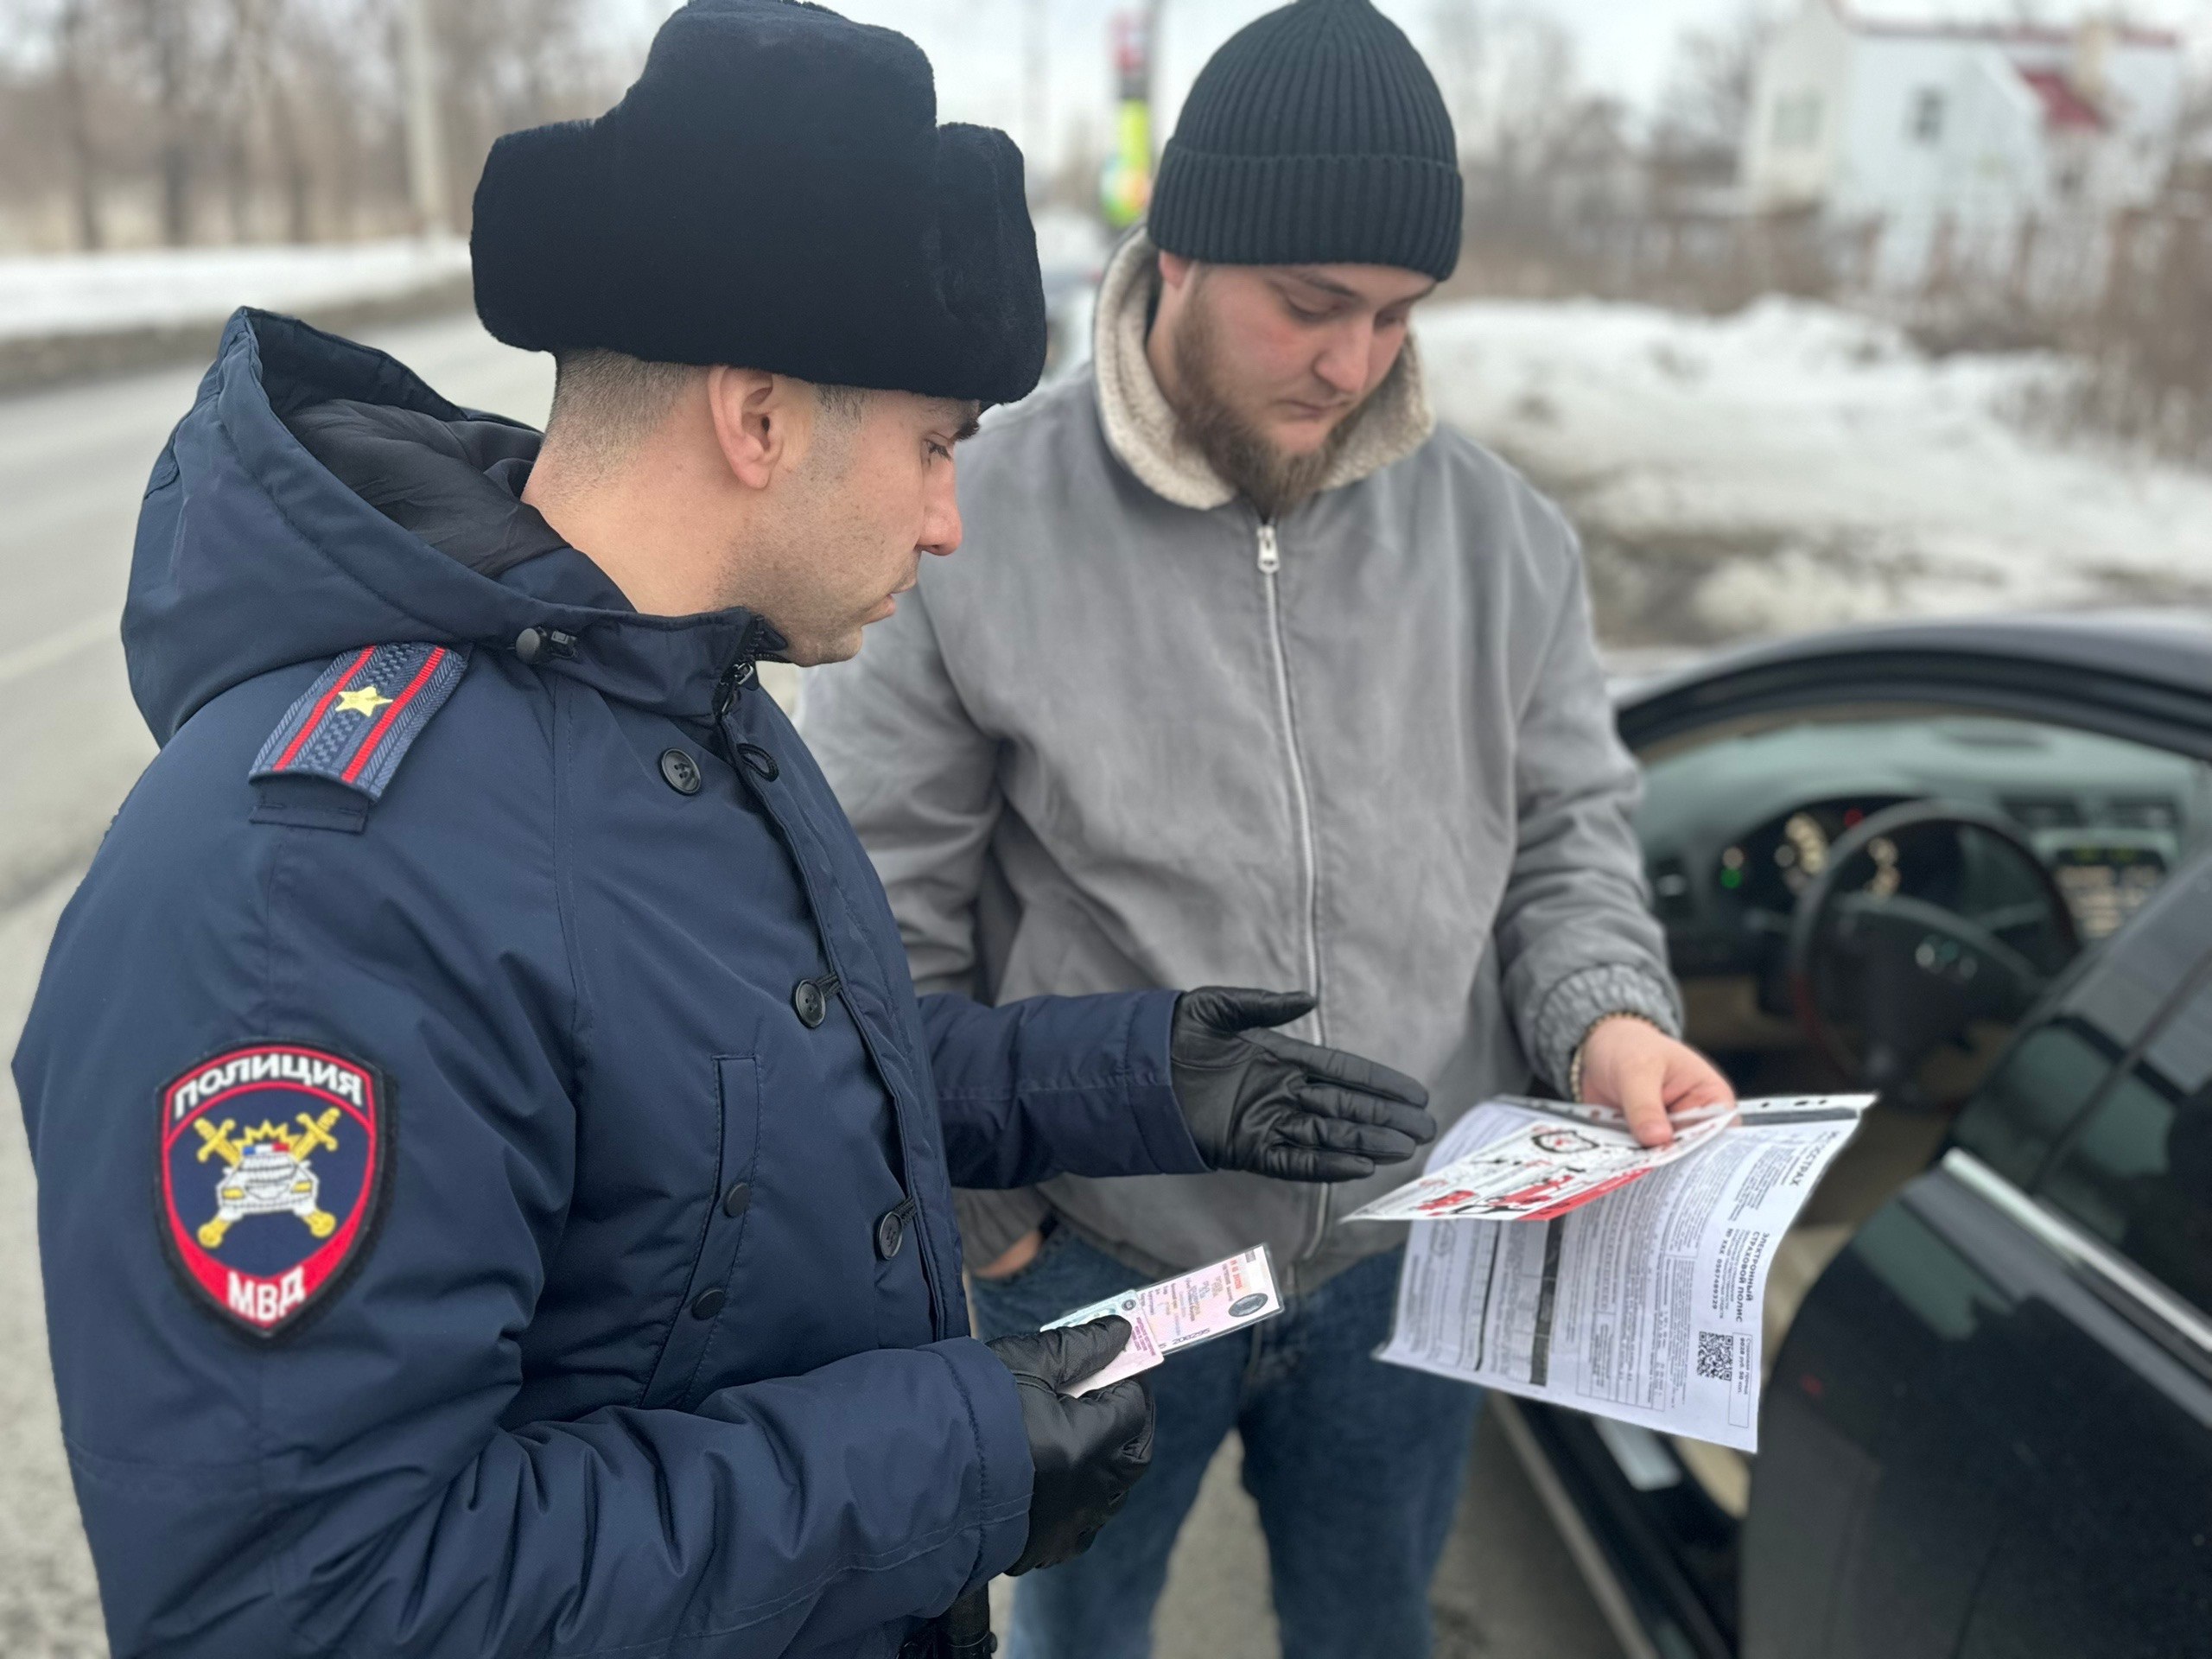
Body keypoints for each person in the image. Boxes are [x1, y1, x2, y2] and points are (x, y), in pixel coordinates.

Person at [11, 5, 1437, 1656]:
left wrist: (1134, 1076)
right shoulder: (308, 893)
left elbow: (742, 1119)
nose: (947, 519)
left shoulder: (674, 708)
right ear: (758, 419)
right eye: (929, 447)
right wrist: (942, 1465)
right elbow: (308, 1607)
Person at [800, 1, 1737, 1653]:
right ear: (1179, 253)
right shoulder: (974, 518)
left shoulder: (1503, 540)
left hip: (1408, 1259)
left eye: (1394, 316)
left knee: (1368, 1627)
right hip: (1101, 1265)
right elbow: (876, 908)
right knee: (1082, 1630)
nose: (1356, 363)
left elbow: (1572, 833)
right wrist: (985, 1216)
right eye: (1310, 308)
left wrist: (1603, 1021)